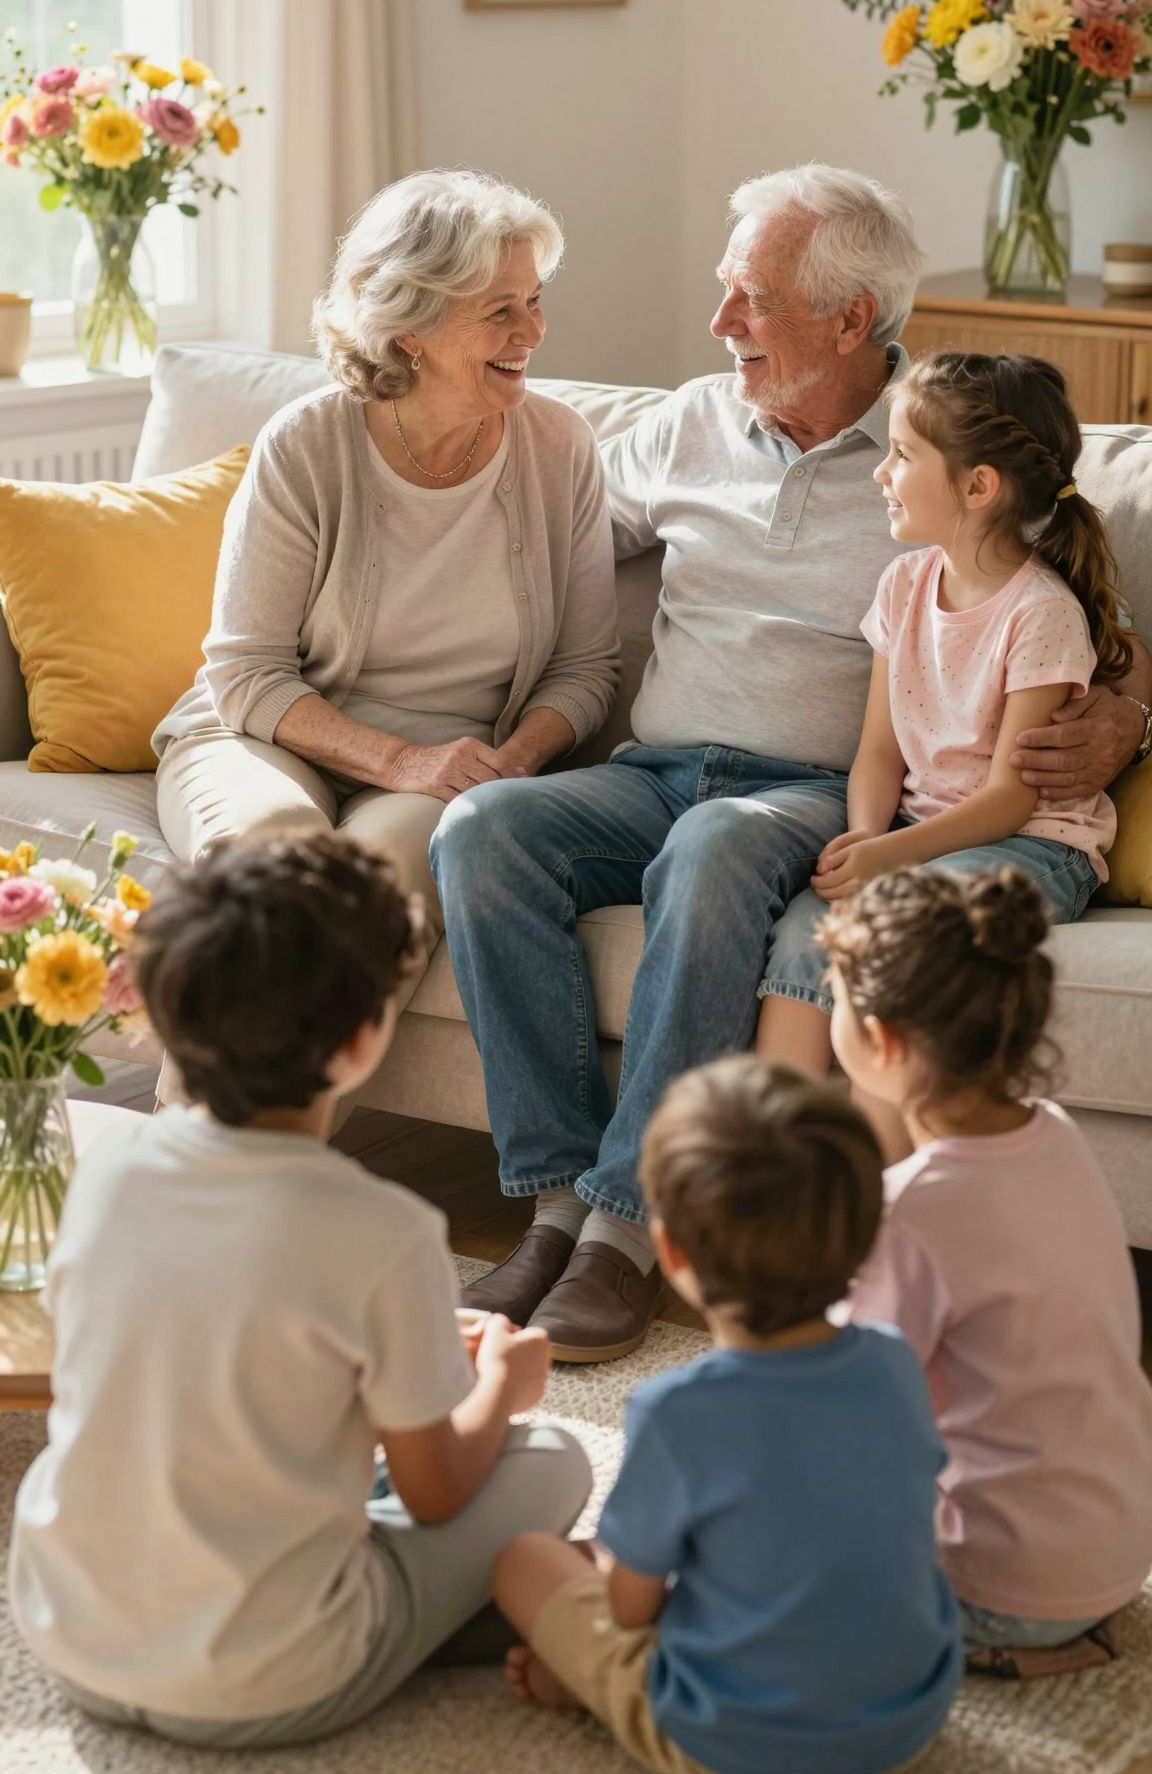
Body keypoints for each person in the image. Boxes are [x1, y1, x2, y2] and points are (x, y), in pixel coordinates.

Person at [433, 165, 1152, 1361]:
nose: (720, 326)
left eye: (749, 300)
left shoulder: (941, 448)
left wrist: (1127, 707)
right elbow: (537, 546)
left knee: (716, 844)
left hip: (808, 791)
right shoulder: (684, 422)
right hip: (654, 766)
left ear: (848, 320)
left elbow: (1072, 606)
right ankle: (557, 1194)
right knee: (485, 830)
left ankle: (625, 1221)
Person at [9, 832, 591, 1748]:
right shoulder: (380, 1230)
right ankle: (432, 1618)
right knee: (556, 1453)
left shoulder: (109, 1165)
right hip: (267, 1683)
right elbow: (438, 1492)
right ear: (365, 1038)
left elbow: (203, 1322)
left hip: (68, 1634)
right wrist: (502, 1391)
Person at [152, 168, 619, 1021]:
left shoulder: (560, 447)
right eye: (501, 310)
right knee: (271, 867)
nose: (534, 331)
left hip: (441, 775)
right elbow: (246, 673)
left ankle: (229, 1147)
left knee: (367, 908)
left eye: (536, 300)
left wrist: (511, 766)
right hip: (269, 734)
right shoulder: (308, 444)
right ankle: (223, 1146)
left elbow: (587, 667)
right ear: (412, 328)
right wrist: (397, 758)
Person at [491, 1058, 963, 1774]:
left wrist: (625, 1576)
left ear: (671, 1252)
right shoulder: (896, 1364)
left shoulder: (677, 1412)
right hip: (910, 1720)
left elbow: (629, 1609)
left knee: (527, 1559)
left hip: (740, 1746)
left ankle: (597, 1690)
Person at [758, 350, 1134, 1076]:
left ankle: (891, 1163)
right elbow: (878, 752)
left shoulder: (1042, 613)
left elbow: (1009, 799)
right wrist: (864, 840)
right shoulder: (902, 585)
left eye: (900, 455)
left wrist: (888, 857)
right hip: (918, 831)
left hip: (1031, 844)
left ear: (979, 486)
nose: (880, 473)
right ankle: (779, 1157)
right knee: (811, 921)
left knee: (897, 923)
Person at [822, 864, 1152, 1674]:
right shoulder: (1057, 1135)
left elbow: (845, 1404)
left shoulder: (913, 1211)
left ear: (884, 1040)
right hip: (1120, 1550)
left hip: (1003, 1587)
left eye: (835, 999)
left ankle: (995, 1642)